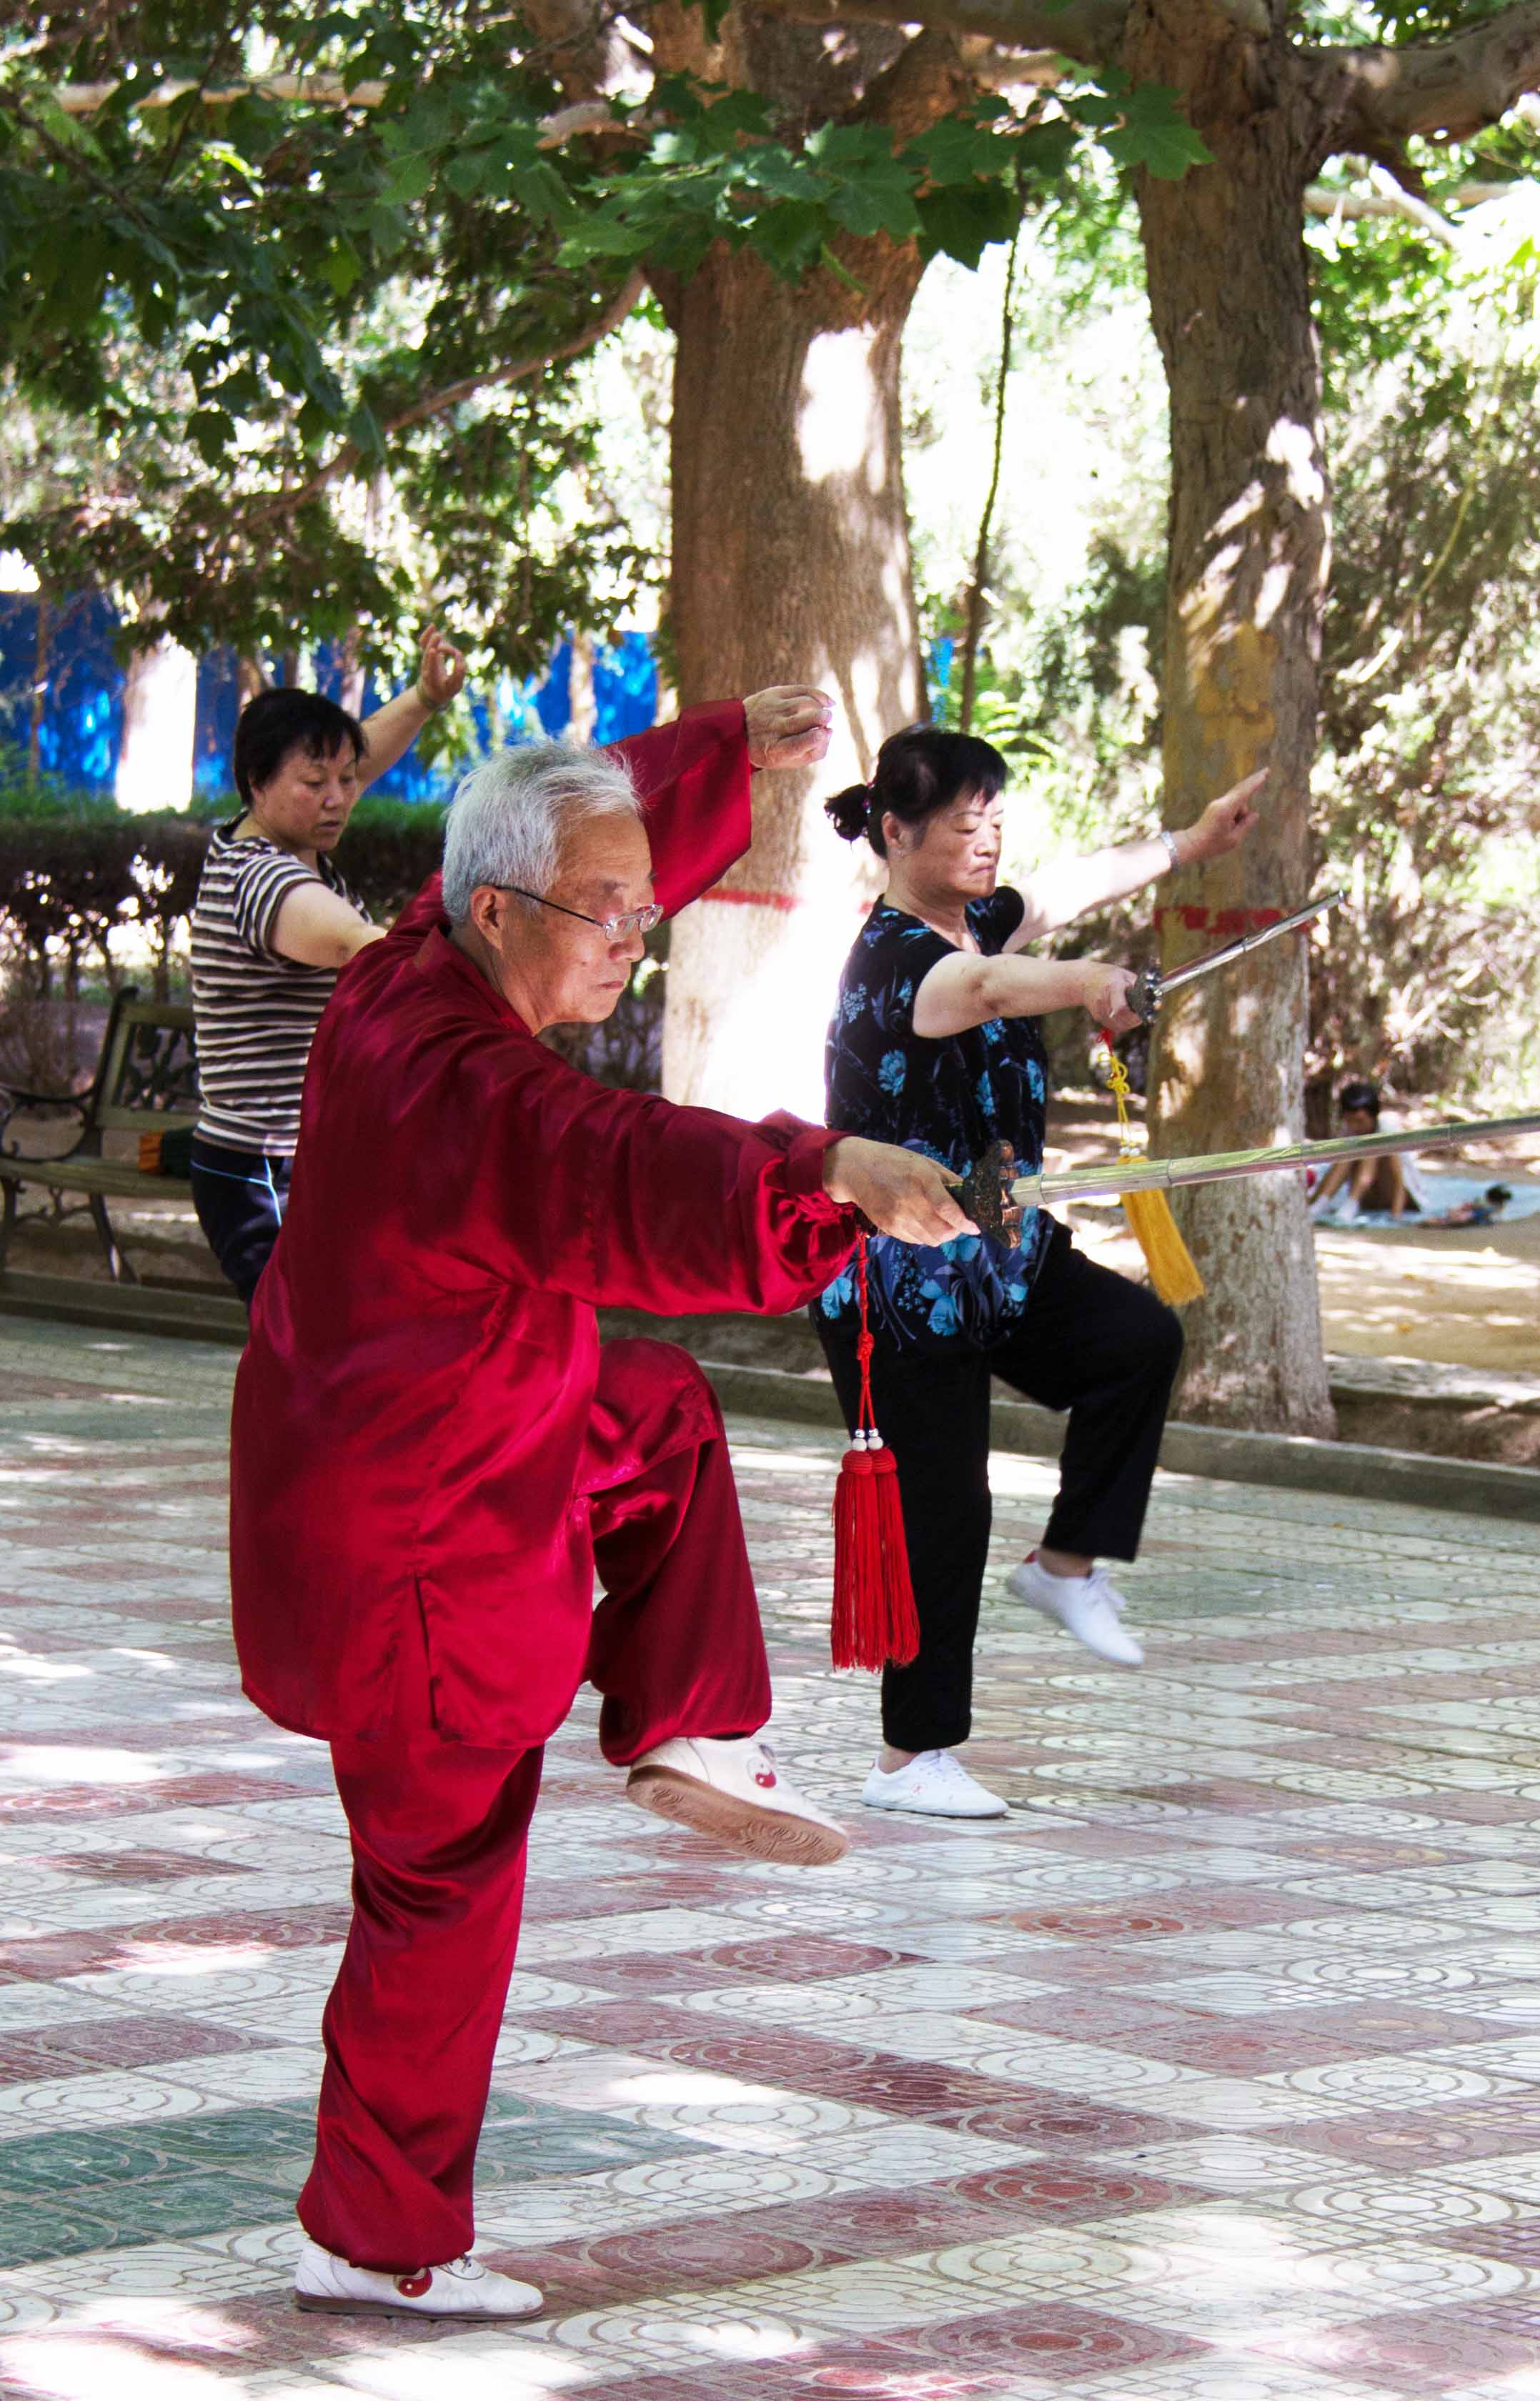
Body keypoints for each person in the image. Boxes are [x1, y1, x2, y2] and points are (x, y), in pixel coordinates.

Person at [230, 710, 970, 2323]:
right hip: (412, 1555)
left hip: (436, 1436)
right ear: (498, 912)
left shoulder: (414, 959)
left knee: (656, 1412)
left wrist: (721, 749)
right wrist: (828, 1170)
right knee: (435, 1892)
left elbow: (576, 828)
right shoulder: (463, 1085)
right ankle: (372, 2244)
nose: (638, 938)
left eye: (648, 908)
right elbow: (619, 1164)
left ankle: (687, 1722)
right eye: (610, 916)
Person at [813, 725, 1263, 1821]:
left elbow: (1068, 888)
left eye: (997, 823)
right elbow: (989, 989)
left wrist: (1191, 844)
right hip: (899, 1287)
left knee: (1136, 1344)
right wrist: (1092, 979)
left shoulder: (979, 919)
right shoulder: (903, 961)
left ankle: (1065, 1565)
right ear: (895, 832)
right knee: (945, 1510)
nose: (988, 842)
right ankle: (910, 1760)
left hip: (998, 1251)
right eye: (966, 824)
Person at [188, 629, 469, 1305]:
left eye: (346, 780)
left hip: (305, 1159)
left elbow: (361, 757)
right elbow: (353, 943)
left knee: (332, 1345)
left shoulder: (283, 836)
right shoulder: (260, 879)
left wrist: (425, 698)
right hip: (261, 1172)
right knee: (312, 1340)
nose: (339, 797)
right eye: (315, 784)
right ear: (257, 784)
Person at [1311, 1077, 1431, 1221]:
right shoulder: (1349, 1131)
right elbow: (1335, 1170)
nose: (1355, 1126)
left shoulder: (1387, 1130)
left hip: (1401, 1199)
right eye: (1350, 1121)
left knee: (1372, 1147)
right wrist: (1314, 1200)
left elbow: (1400, 1179)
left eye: (1360, 1121)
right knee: (1350, 1149)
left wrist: (1396, 1216)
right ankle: (1321, 1204)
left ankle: (1351, 1204)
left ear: (1373, 1117)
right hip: (1371, 1198)